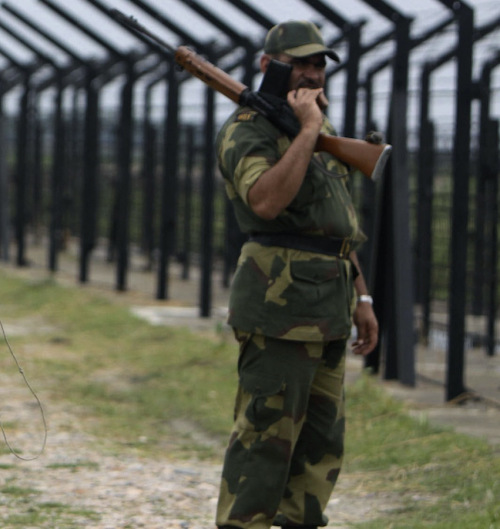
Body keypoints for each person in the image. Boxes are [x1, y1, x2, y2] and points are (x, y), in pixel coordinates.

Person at [213, 21, 379, 529]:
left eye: (319, 64)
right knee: (266, 438)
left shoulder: (320, 131)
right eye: (300, 63)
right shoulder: (248, 130)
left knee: (320, 444)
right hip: (279, 310)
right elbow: (265, 201)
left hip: (330, 305)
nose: (312, 73)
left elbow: (334, 224)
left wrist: (363, 298)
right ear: (269, 66)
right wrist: (307, 132)